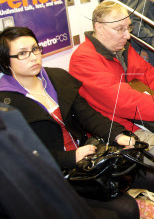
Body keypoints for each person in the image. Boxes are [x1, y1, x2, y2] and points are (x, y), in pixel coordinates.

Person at [68, 0, 154, 208]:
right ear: (99, 27)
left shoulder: (122, 49)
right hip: (119, 130)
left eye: (129, 28)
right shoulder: (84, 59)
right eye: (120, 29)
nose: (127, 35)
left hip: (141, 118)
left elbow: (151, 76)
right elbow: (122, 100)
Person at [0, 26, 140, 219]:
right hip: (53, 174)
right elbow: (24, 156)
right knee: (125, 209)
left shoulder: (57, 78)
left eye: (35, 49)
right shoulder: (6, 104)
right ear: (6, 62)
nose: (33, 57)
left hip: (87, 162)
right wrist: (70, 158)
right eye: (22, 54)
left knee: (146, 174)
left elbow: (87, 115)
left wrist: (117, 133)